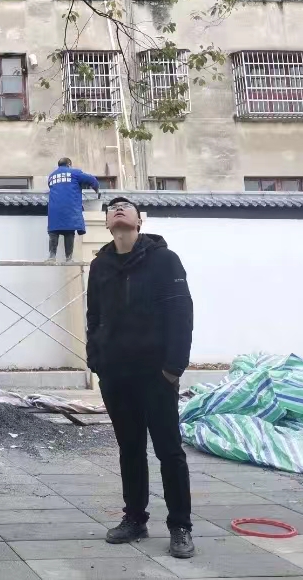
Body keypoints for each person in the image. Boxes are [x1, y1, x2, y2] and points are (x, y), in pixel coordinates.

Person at [86, 197, 195, 559]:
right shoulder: (100, 265)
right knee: (130, 449)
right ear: (106, 223)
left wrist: (173, 367)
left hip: (156, 373)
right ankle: (135, 519)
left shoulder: (164, 260)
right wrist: (97, 361)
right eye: (112, 207)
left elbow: (181, 313)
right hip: (116, 374)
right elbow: (93, 315)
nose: (118, 208)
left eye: (126, 206)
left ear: (139, 221)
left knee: (168, 450)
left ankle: (180, 526)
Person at [46, 157, 101, 262]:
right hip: (69, 208)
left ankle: (52, 257)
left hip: (54, 209)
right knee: (69, 232)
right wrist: (96, 189)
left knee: (53, 232)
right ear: (69, 164)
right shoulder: (75, 173)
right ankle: (69, 258)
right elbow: (91, 179)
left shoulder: (51, 176)